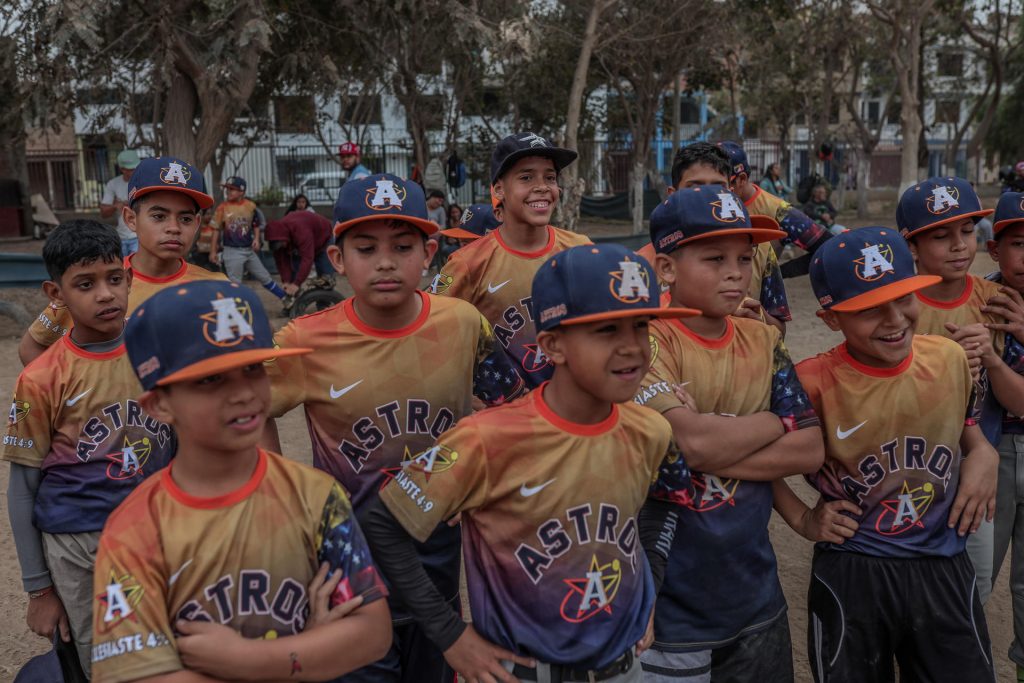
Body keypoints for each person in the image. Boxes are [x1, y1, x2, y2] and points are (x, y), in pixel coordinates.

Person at [365, 242, 696, 683]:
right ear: (552, 345)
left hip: (623, 668)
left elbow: (666, 498)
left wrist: (648, 586)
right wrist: (448, 635)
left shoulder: (651, 430)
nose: (632, 347)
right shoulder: (485, 438)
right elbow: (383, 523)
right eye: (606, 330)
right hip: (519, 672)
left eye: (640, 326)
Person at [263, 173, 525, 683]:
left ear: (429, 252)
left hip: (438, 565)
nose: (385, 261)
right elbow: (248, 411)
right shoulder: (305, 339)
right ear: (338, 260)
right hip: (351, 570)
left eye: (403, 246)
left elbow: (515, 408)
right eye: (365, 247)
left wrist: (481, 482)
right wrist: (280, 495)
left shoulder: (462, 322)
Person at [89, 280, 392, 682]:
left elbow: (371, 632)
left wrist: (249, 661)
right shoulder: (135, 529)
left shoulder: (315, 495)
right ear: (159, 404)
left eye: (253, 369)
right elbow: (137, 677)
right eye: (211, 379)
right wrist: (309, 650)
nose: (244, 393)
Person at [771, 226, 998, 682]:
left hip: (943, 562)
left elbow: (970, 436)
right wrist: (801, 518)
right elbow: (764, 463)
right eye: (870, 309)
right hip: (855, 567)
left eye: (903, 298)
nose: (894, 319)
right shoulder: (811, 380)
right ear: (832, 317)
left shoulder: (950, 360)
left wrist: (984, 458)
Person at [635, 185, 823, 682]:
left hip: (755, 593)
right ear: (667, 268)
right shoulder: (644, 340)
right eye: (714, 257)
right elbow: (690, 443)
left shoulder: (762, 338)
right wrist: (772, 422)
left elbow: (809, 447)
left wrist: (707, 438)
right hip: (671, 600)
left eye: (745, 256)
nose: (736, 272)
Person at [3, 220, 177, 676]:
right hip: (77, 544)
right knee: (102, 658)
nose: (105, 294)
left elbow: (185, 449)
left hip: (158, 533)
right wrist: (39, 590)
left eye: (113, 279)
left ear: (129, 278)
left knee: (169, 649)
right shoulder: (41, 379)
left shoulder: (162, 354)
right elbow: (22, 488)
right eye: (85, 284)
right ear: (55, 294)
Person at [897, 177, 1024, 605]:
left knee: (974, 591)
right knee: (909, 593)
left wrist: (989, 358)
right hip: (905, 477)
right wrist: (938, 367)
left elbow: (1017, 402)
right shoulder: (892, 308)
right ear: (910, 245)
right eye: (940, 235)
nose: (958, 245)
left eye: (967, 232)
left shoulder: (997, 302)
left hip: (974, 472)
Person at [17, 156, 225, 367]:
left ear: (197, 223)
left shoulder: (218, 288)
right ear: (131, 219)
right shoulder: (98, 283)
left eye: (186, 219)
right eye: (159, 216)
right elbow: (32, 347)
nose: (174, 227)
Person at [429, 131, 591, 388]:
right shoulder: (468, 263)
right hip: (505, 417)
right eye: (526, 177)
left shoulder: (581, 249)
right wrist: (466, 398)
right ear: (499, 189)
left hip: (573, 407)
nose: (542, 187)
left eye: (550, 177)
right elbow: (428, 337)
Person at [637, 142, 791, 333]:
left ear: (732, 193)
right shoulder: (642, 265)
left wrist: (758, 317)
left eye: (719, 188)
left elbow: (779, 331)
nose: (709, 197)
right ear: (672, 194)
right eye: (695, 188)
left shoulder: (762, 248)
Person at [982, 192, 1024, 679]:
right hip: (992, 454)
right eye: (1018, 243)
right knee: (971, 581)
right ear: (994, 249)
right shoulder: (980, 297)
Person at [208, 175, 286, 300]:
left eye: (232, 189)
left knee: (264, 277)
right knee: (235, 284)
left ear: (241, 192)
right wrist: (213, 251)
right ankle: (236, 311)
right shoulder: (222, 208)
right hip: (232, 251)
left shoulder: (250, 206)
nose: (228, 191)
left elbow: (255, 224)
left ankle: (285, 298)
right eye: (227, 189)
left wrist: (256, 239)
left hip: (248, 250)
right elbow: (216, 230)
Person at [264, 210, 336, 297]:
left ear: (284, 237)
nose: (281, 246)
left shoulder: (300, 231)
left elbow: (307, 258)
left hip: (324, 239)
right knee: (292, 276)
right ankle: (293, 303)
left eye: (281, 244)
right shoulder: (278, 236)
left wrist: (296, 284)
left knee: (325, 279)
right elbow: (281, 261)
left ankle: (324, 306)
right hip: (300, 242)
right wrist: (286, 281)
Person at [100, 150, 142, 257]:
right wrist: (116, 206)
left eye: (135, 168)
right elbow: (104, 213)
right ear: (122, 169)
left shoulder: (144, 181)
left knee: (136, 270)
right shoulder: (113, 184)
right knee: (121, 269)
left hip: (139, 236)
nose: (134, 171)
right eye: (130, 169)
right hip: (121, 237)